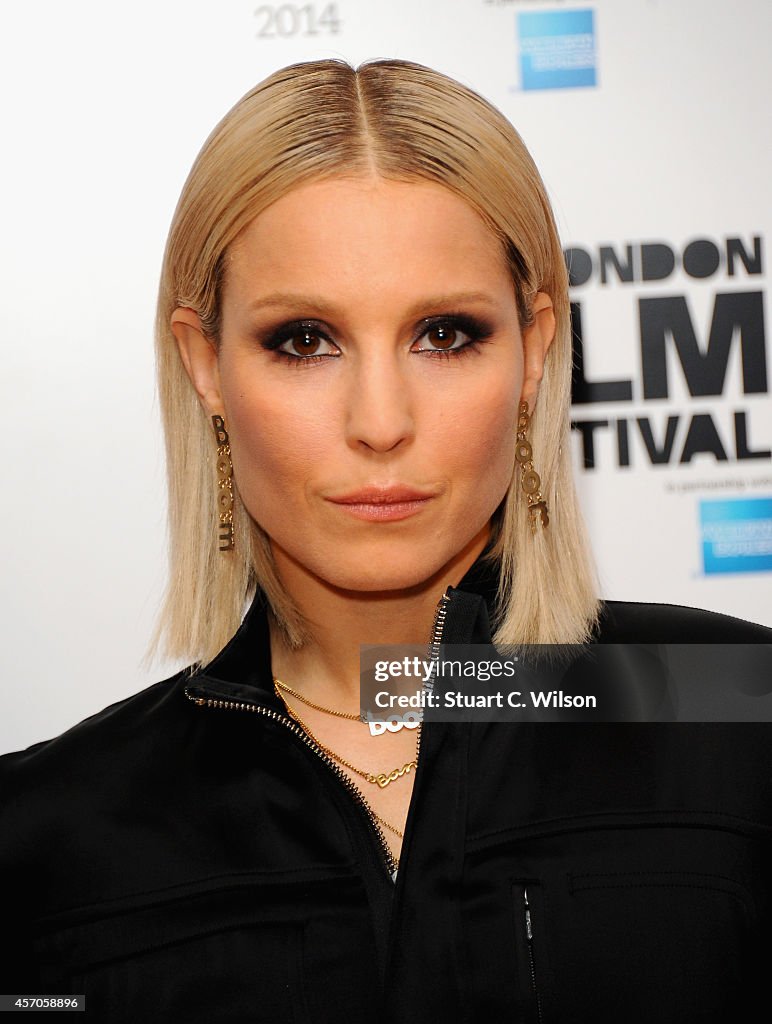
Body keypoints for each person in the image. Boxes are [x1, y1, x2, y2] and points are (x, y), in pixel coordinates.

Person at [1, 58, 771, 1023]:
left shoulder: (739, 713)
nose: (379, 421)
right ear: (206, 365)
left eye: (444, 335)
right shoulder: (43, 839)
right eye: (305, 340)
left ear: (535, 351)